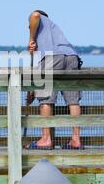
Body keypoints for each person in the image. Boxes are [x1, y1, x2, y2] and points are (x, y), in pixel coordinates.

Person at [26, 10, 83, 150]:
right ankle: (76, 140)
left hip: (53, 57)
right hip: (71, 56)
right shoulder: (54, 28)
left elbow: (35, 15)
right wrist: (33, 89)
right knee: (73, 100)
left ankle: (46, 139)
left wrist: (31, 38)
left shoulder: (39, 19)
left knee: (46, 99)